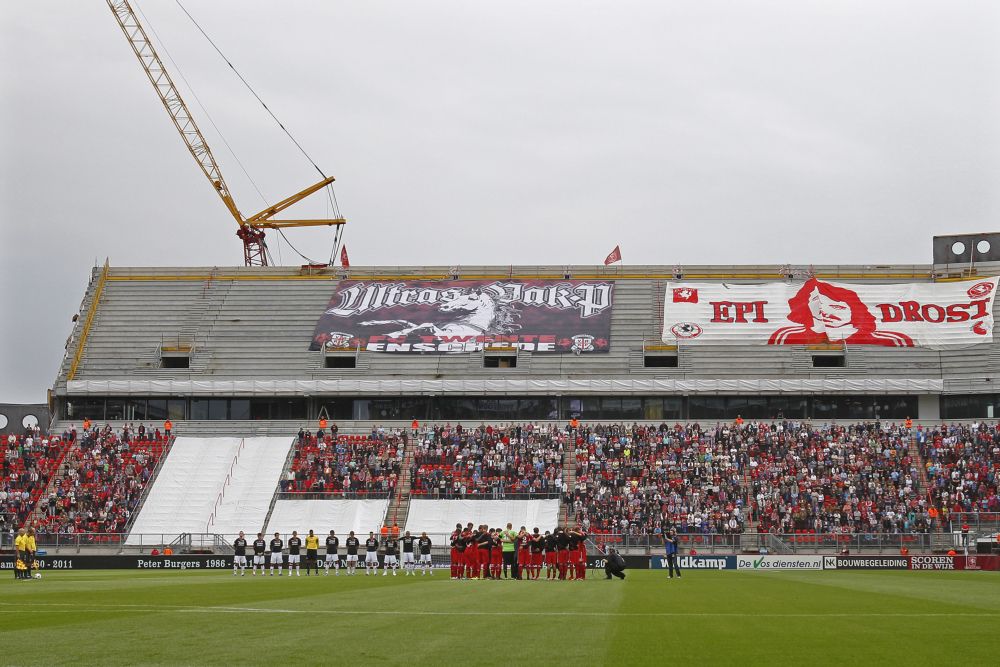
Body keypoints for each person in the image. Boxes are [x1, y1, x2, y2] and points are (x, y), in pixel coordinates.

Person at [768, 278, 914, 347]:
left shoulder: (892, 338)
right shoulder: (787, 334)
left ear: (854, 310)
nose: (825, 313)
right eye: (818, 305)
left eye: (837, 307)